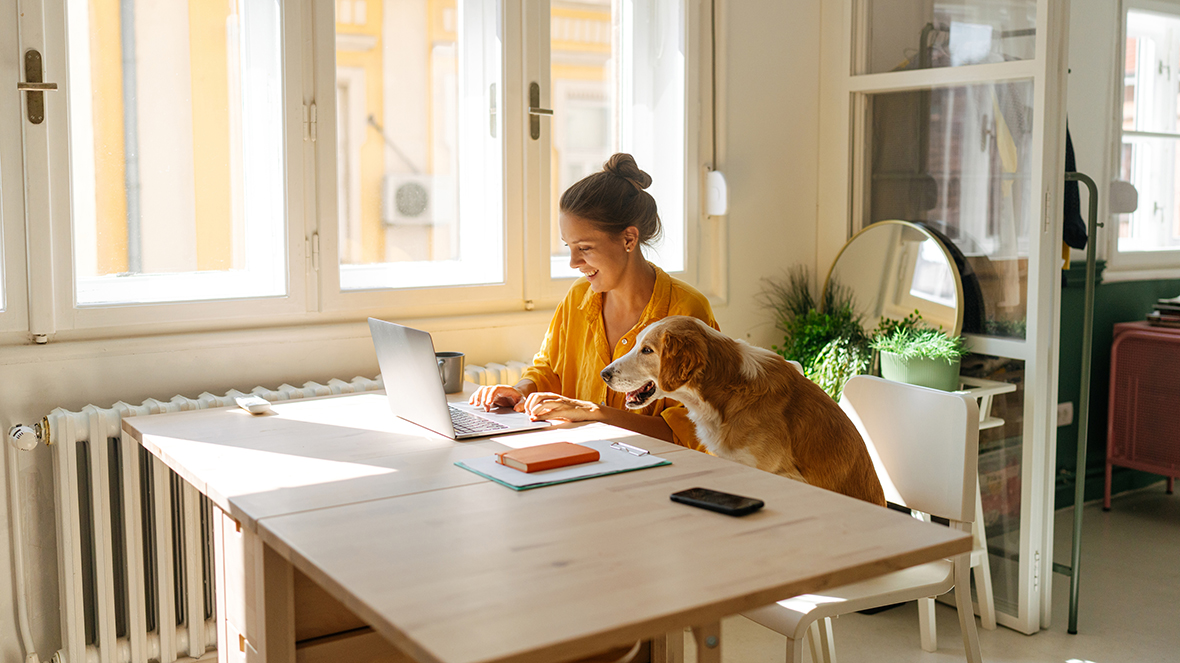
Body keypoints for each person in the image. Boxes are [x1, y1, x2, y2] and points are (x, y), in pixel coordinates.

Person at [469, 153, 717, 449]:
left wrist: (598, 415)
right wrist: (520, 390)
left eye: (584, 247)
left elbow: (689, 432)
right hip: (580, 458)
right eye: (569, 247)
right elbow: (549, 370)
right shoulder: (578, 297)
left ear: (628, 239)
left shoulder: (686, 311)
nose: (574, 262)